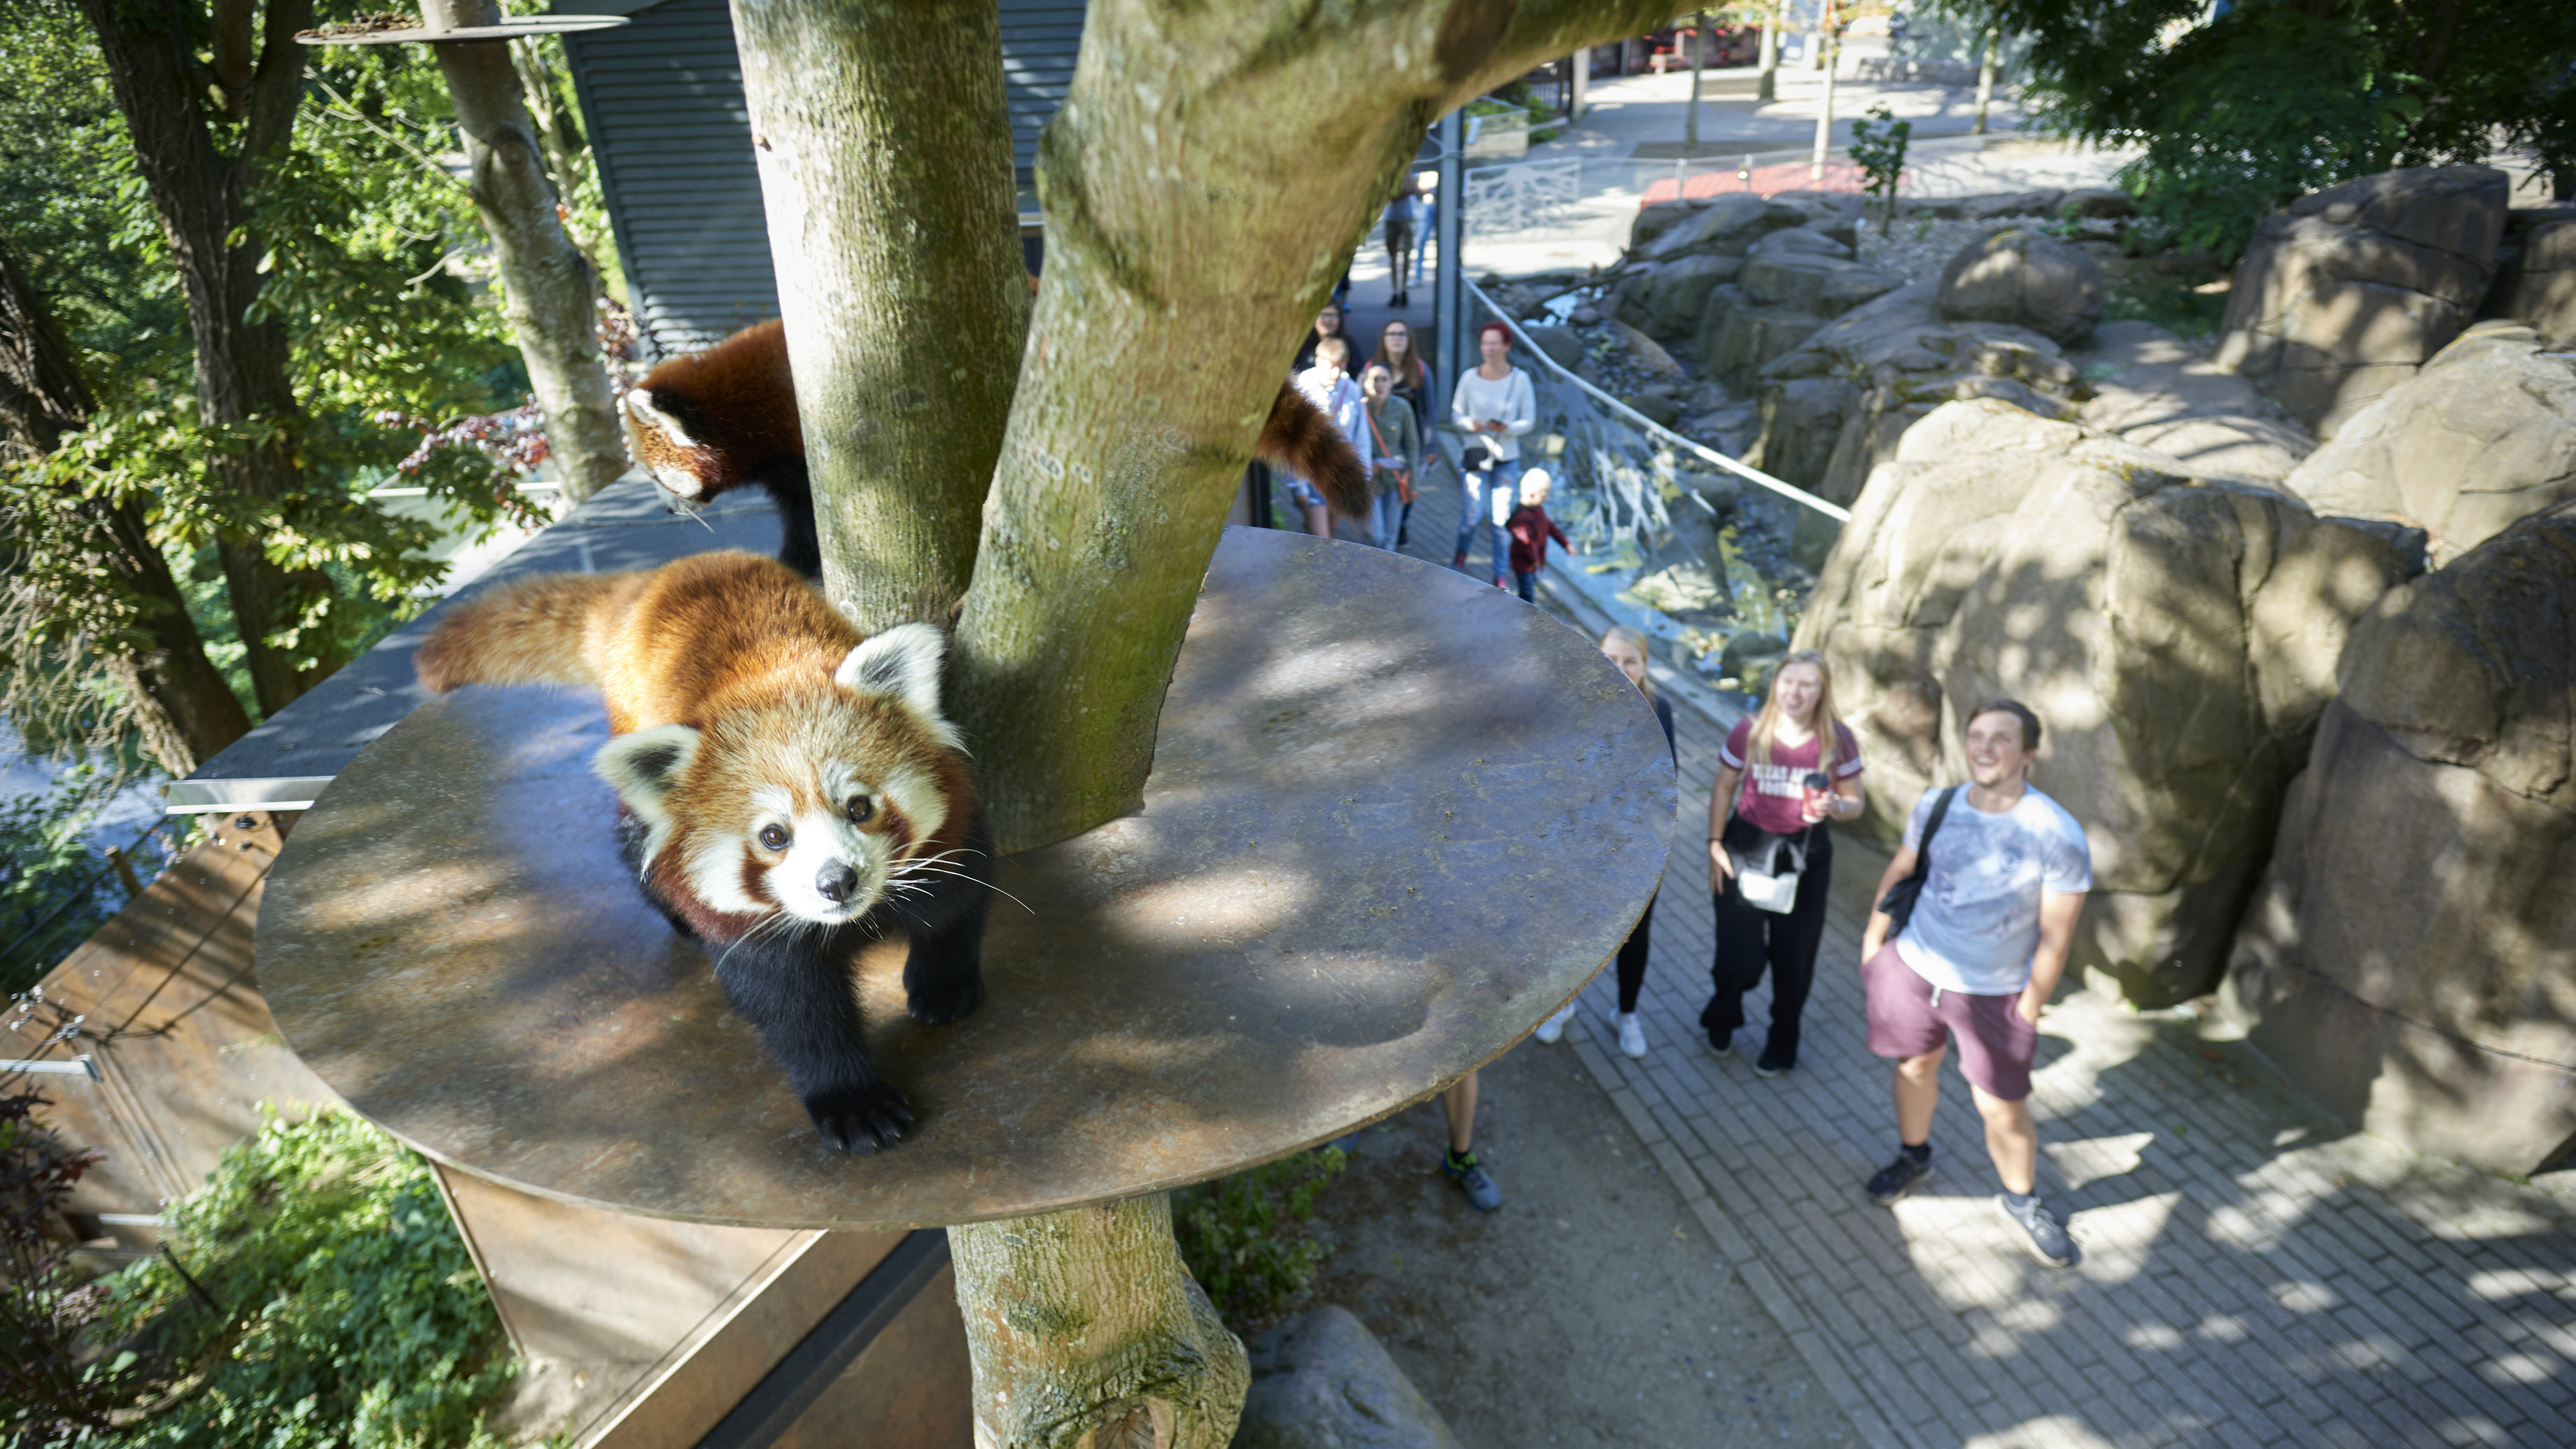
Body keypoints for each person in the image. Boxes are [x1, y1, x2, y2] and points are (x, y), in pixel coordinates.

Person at [1858, 699, 2090, 1270]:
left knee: (2002, 1108)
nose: (1984, 748)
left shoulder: (2056, 832)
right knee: (1913, 1067)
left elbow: (2057, 939)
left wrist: (2030, 1009)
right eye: (1976, 735)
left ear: (2028, 753)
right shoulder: (1938, 805)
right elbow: (1903, 869)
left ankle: (2021, 1200)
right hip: (1914, 969)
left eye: (2001, 738)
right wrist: (1873, 942)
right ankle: (1915, 1158)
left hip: (1993, 993)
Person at [1702, 648, 1863, 1077]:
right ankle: (1723, 1014)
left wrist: (1835, 806)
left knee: (1794, 961)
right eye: (1788, 681)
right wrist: (1715, 843)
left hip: (1806, 853)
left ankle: (1782, 1041)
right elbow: (1723, 788)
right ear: (1776, 684)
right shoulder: (1750, 730)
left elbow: (1856, 802)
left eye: (1807, 683)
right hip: (1747, 845)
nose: (1795, 691)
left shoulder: (1838, 738)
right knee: (1740, 959)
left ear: (1821, 690)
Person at [1537, 625, 1674, 1058]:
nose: (1620, 669)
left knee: (1635, 938)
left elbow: (1668, 784)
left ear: (1645, 666)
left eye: (1630, 660)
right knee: (1574, 931)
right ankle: (1564, 1004)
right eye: (1611, 659)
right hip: (1582, 847)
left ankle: (1626, 1012)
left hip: (1637, 849)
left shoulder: (1660, 710)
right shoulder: (1576, 706)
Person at [1448, 321, 1534, 587]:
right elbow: (1455, 415)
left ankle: (1499, 574)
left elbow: (1529, 421)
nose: (1489, 348)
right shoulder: (1469, 378)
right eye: (1486, 343)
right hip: (1476, 455)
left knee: (1500, 520)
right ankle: (1460, 557)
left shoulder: (1520, 380)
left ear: (1506, 346)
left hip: (1506, 458)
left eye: (1495, 343)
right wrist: (1469, 423)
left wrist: (1507, 427)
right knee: (1473, 515)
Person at [1287, 336, 1373, 537]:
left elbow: (1361, 436)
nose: (1336, 373)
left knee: (1331, 536)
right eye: (1331, 366)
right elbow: (1292, 441)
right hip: (1311, 475)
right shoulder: (1302, 386)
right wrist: (1298, 486)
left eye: (1341, 366)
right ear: (1318, 361)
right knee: (1321, 538)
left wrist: (1364, 476)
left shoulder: (1350, 388)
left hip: (1338, 476)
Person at [1371, 320, 1437, 547]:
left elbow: (1430, 410)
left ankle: (1399, 526)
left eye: (1402, 334)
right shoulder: (1373, 368)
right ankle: (1389, 531)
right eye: (1391, 334)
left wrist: (1431, 446)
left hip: (1411, 444)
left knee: (1407, 490)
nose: (1397, 338)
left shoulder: (1419, 369)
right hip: (1378, 446)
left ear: (1409, 339)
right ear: (1384, 339)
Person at [1359, 363, 1419, 552]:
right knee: (1375, 535)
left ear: (1391, 383)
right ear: (1366, 383)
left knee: (1391, 537)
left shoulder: (1402, 407)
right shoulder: (1360, 408)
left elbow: (1412, 445)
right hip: (1369, 481)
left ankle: (1386, 578)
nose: (1379, 384)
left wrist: (1415, 483)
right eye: (1374, 380)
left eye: (1384, 379)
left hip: (1395, 478)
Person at [1502, 469, 1571, 602]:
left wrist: (1565, 543)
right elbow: (1525, 544)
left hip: (1533, 562)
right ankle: (1525, 616)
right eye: (1544, 496)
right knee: (1527, 592)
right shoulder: (1521, 518)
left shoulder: (1538, 510)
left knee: (1529, 586)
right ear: (1533, 495)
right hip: (1524, 563)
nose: (1547, 499)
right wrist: (1535, 559)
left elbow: (1550, 526)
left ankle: (1524, 611)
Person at [1382, 177, 1418, 309]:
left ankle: (1403, 290)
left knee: (1406, 254)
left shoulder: (1410, 172)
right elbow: (1386, 194)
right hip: (1391, 218)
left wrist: (1396, 193)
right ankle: (1395, 291)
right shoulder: (1389, 172)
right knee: (1393, 256)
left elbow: (1412, 189)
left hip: (1406, 217)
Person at [1294, 302, 1350, 372]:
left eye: (1333, 315)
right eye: (1323, 314)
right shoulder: (1301, 344)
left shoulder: (1348, 345)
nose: (1328, 319)